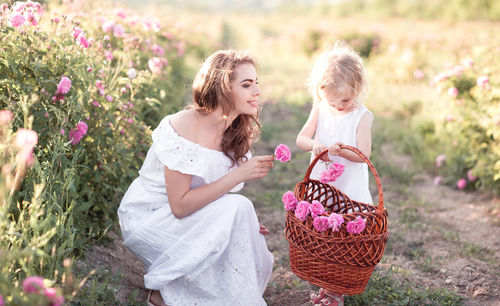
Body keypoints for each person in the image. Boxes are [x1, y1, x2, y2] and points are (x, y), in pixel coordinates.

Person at [118, 50, 275, 306]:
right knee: (238, 206)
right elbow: (180, 206)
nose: (257, 91)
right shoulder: (184, 125)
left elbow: (211, 191)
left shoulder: (235, 132)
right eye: (247, 85)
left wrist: (239, 222)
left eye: (256, 83)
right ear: (223, 89)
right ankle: (165, 295)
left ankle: (178, 294)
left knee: (241, 210)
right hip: (152, 217)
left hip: (185, 214)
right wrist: (239, 176)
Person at [295, 41, 374, 305]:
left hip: (348, 188)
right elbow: (301, 139)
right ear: (321, 93)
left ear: (357, 88)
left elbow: (364, 154)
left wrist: (341, 151)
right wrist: (316, 145)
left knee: (342, 239)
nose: (339, 105)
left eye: (345, 99)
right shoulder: (320, 108)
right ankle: (325, 285)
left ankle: (336, 291)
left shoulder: (361, 116)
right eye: (333, 100)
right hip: (322, 185)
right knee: (321, 235)